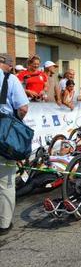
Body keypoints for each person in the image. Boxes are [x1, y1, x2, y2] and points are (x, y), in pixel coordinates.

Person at [0, 53, 29, 235]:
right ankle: (4, 223)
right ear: (10, 66)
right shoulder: (10, 79)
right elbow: (23, 107)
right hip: (3, 133)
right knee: (5, 182)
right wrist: (16, 121)